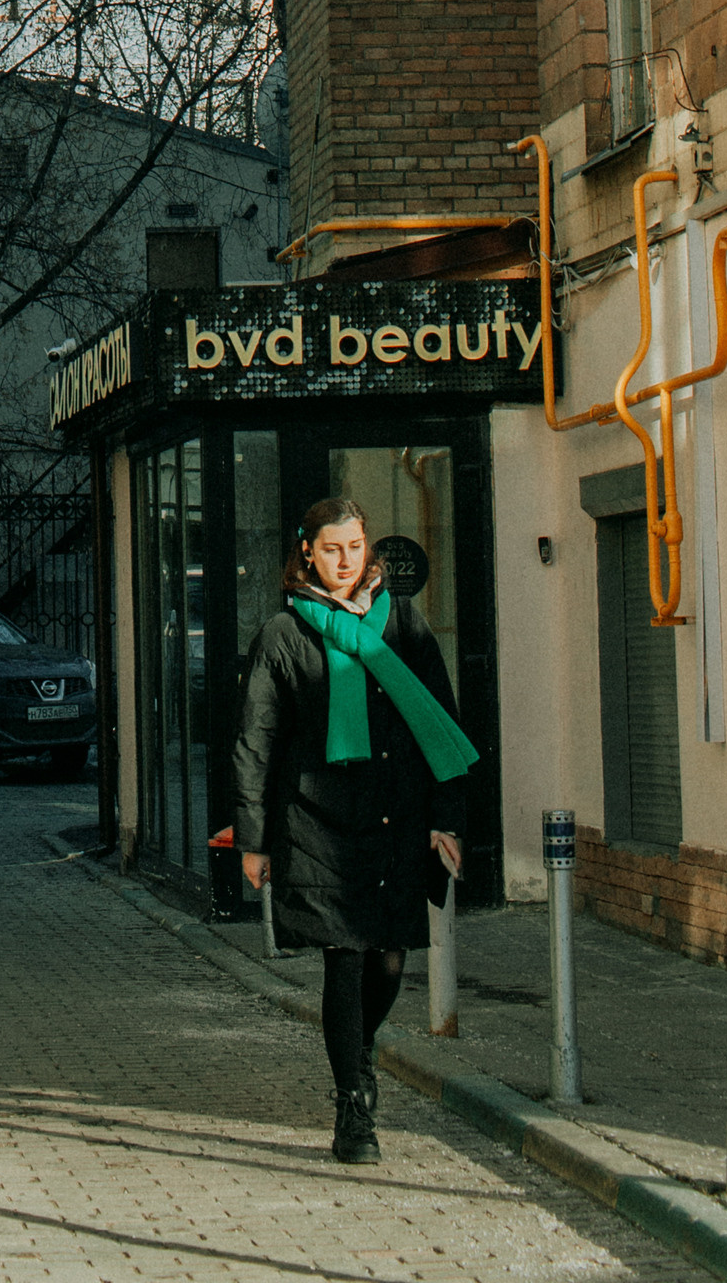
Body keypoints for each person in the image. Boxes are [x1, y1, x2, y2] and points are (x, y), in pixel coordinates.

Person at [231, 488, 479, 1164]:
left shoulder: (403, 626)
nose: (344, 561)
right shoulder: (283, 636)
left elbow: (440, 725)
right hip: (316, 822)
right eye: (330, 550)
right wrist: (252, 839)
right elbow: (255, 741)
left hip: (395, 815)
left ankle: (356, 1053)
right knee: (345, 958)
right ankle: (353, 1107)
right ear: (305, 554)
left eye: (354, 548)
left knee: (390, 960)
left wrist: (445, 818)